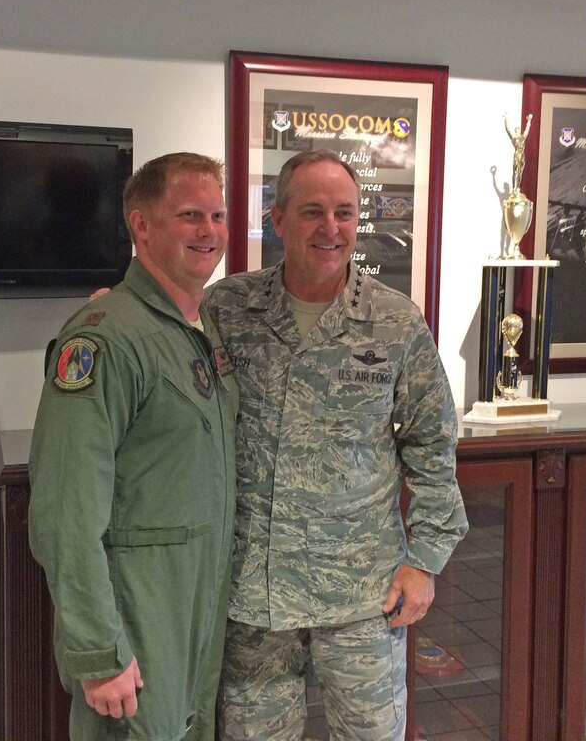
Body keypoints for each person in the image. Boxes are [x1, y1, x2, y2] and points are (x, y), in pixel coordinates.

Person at [206, 149, 468, 740]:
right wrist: (119, 309)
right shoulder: (229, 309)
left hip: (362, 597)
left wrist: (424, 562)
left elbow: (432, 444)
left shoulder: (395, 322)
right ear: (277, 219)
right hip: (255, 597)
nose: (331, 228)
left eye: (344, 213)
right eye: (313, 211)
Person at [27, 152, 238, 741]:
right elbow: (65, 510)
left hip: (195, 610)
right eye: (190, 215)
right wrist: (99, 650)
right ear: (141, 225)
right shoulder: (107, 339)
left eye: (218, 216)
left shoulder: (199, 329)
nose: (209, 231)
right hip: (137, 619)